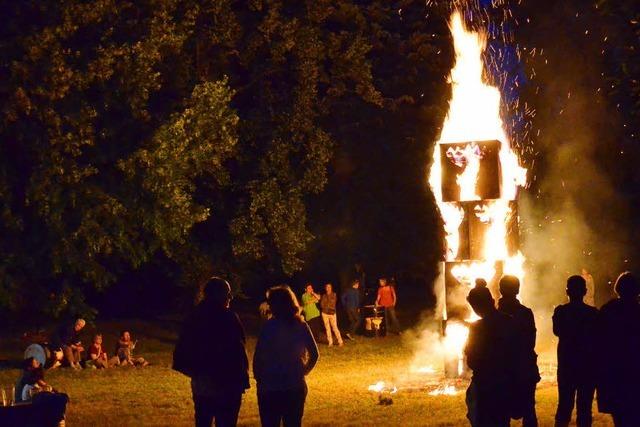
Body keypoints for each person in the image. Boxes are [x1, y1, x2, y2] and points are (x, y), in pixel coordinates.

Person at [173, 277, 250, 427]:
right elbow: (238, 350)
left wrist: (197, 374)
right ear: (216, 294)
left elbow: (181, 352)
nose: (230, 297)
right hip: (227, 386)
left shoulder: (194, 316)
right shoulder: (228, 317)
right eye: (227, 293)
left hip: (204, 386)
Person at [253, 285, 319, 427]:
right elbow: (314, 354)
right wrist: (303, 371)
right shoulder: (300, 325)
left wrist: (260, 379)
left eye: (270, 301)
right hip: (293, 386)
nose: (268, 304)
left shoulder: (269, 327)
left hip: (271, 388)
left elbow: (258, 356)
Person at [465, 281, 517, 427]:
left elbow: (472, 361)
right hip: (505, 384)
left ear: (475, 307)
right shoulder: (509, 321)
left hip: (484, 386)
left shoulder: (477, 328)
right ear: (492, 301)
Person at [552, 275, 598, 427]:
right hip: (587, 367)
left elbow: (557, 331)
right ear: (585, 291)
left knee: (564, 407)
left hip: (567, 367)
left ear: (567, 291)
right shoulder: (593, 314)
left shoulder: (560, 312)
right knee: (584, 409)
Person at [596, 272, 640, 427]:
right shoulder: (636, 311)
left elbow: (598, 341)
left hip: (615, 373)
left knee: (620, 418)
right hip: (634, 373)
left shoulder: (608, 310)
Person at [497, 275, 540, 426]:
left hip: (502, 371)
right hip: (524, 369)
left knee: (502, 415)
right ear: (518, 289)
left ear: (500, 290)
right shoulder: (526, 313)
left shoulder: (494, 316)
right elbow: (531, 341)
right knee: (529, 411)